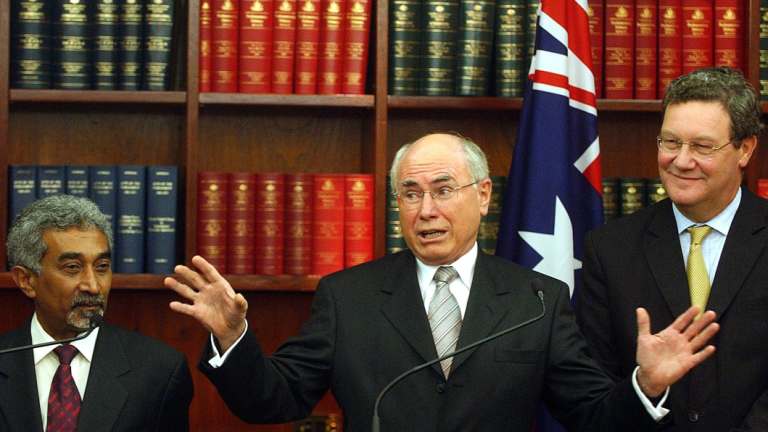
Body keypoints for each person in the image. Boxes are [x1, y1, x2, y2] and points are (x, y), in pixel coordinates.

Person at [166, 132, 719, 431]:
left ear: (482, 196)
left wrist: (644, 386)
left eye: (443, 189)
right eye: (410, 194)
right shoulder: (349, 296)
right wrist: (233, 340)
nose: (425, 209)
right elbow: (275, 401)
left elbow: (593, 417)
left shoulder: (536, 300)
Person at [576, 66, 768, 431]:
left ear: (745, 149)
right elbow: (591, 395)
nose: (680, 160)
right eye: (670, 142)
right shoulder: (610, 249)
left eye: (701, 146)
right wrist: (646, 387)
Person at [0, 195, 193, 431]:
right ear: (27, 281)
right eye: (72, 268)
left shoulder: (160, 370)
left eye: (102, 267)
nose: (93, 286)